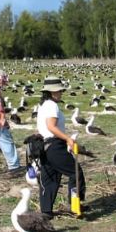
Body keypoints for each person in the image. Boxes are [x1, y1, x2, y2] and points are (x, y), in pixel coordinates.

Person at [36, 76, 86, 217]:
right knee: (75, 172)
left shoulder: (43, 105)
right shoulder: (52, 105)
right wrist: (68, 139)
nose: (60, 93)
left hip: (43, 146)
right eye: (58, 91)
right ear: (51, 92)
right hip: (54, 145)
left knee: (50, 178)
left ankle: (46, 211)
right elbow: (51, 127)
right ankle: (76, 206)